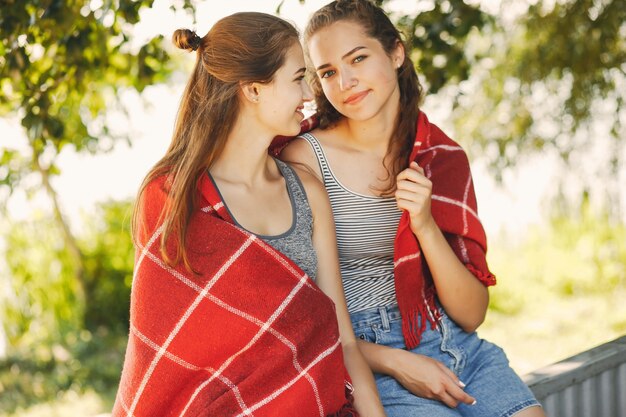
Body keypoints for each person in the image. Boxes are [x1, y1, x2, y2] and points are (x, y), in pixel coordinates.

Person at [111, 12, 385, 417]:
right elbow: (165, 356)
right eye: (297, 79)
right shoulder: (173, 198)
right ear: (253, 90)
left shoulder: (307, 190)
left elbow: (340, 339)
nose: (311, 93)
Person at [280, 1, 546, 416]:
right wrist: (398, 362)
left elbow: (471, 314)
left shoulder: (438, 157)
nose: (345, 81)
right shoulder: (306, 157)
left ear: (396, 53)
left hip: (451, 340)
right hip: (366, 355)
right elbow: (298, 310)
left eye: (359, 58)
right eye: (328, 72)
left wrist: (423, 224)